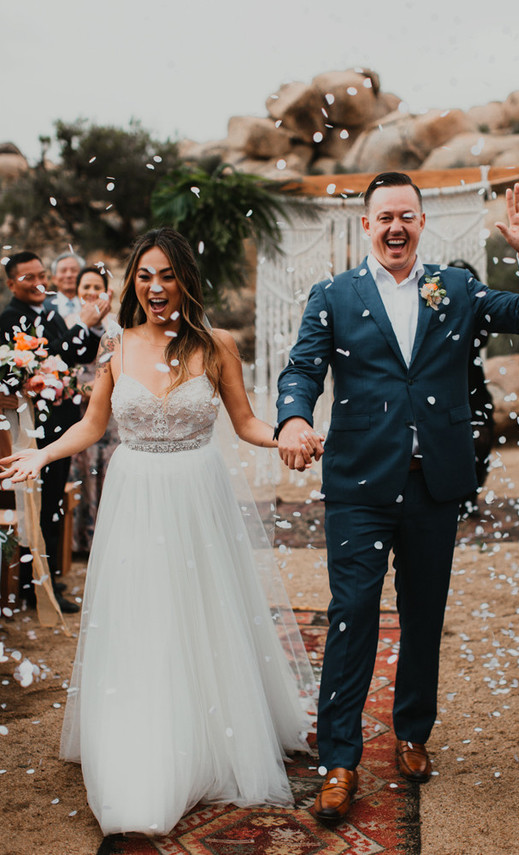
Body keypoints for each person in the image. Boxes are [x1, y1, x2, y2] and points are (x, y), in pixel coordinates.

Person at [0, 228, 316, 838]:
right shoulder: (116, 349)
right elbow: (92, 427)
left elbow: (247, 423)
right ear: (133, 284)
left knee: (204, 613)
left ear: (185, 281)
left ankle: (213, 731)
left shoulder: (218, 345)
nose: (155, 287)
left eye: (167, 274)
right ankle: (147, 739)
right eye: (144, 275)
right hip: (136, 495)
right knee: (144, 617)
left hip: (199, 492)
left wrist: (288, 436)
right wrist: (39, 456)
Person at [276, 173, 519, 824]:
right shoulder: (333, 294)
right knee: (352, 613)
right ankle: (340, 759)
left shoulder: (453, 287)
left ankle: (412, 732)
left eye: (407, 214)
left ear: (421, 223)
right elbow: (302, 369)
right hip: (358, 484)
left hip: (435, 481)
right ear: (367, 225)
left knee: (423, 611)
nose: (396, 226)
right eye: (384, 217)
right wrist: (293, 417)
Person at [0, 251, 110, 612]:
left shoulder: (47, 313)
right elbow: (49, 361)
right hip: (35, 431)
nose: (38, 283)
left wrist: (92, 328)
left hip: (62, 423)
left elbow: (78, 356)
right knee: (40, 505)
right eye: (28, 277)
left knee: (52, 505)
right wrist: (82, 323)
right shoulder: (9, 320)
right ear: (11, 283)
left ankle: (46, 576)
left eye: (40, 275)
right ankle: (36, 589)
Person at [67, 265, 120, 553]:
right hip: (78, 411)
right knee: (82, 466)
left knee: (107, 467)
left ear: (106, 292)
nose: (90, 292)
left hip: (108, 411)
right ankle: (77, 541)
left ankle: (104, 538)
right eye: (85, 287)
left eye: (96, 287)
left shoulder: (114, 328)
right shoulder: (67, 323)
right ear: (77, 291)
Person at [448, 259, 495, 515]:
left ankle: (471, 496)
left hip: (473, 378)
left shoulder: (479, 310)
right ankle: (451, 498)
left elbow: (484, 340)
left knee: (482, 437)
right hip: (443, 382)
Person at [44, 251, 85, 319]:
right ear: (54, 278)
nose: (69, 275)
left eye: (74, 270)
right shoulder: (44, 306)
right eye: (63, 271)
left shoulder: (90, 304)